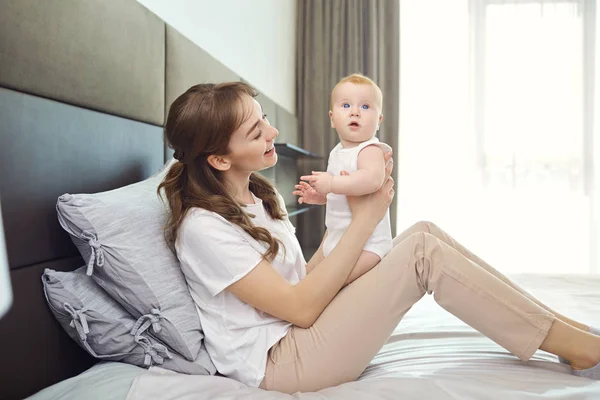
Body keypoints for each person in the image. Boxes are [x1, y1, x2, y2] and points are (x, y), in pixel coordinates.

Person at [158, 81, 600, 394]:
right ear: (218, 158)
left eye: (265, 120)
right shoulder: (203, 229)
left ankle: (570, 332)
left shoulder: (259, 193)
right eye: (257, 132)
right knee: (422, 254)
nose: (273, 133)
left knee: (422, 232)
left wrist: (356, 228)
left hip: (297, 331)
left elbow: (302, 278)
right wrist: (366, 220)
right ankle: (584, 350)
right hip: (281, 364)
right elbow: (301, 307)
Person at [296, 73, 393, 285]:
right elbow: (343, 194)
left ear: (378, 121)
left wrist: (331, 184)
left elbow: (371, 180)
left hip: (368, 246)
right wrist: (322, 196)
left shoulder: (370, 150)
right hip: (336, 239)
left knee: (329, 285)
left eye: (365, 107)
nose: (355, 112)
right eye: (346, 105)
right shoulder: (337, 152)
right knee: (304, 278)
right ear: (332, 119)